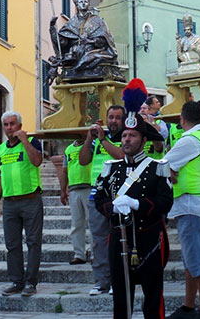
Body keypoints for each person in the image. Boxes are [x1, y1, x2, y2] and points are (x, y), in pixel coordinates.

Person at [94, 103, 173, 319]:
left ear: (144, 140)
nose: (127, 139)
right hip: (119, 238)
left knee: (153, 295)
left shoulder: (157, 167)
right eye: (125, 135)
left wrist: (139, 204)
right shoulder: (111, 168)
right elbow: (98, 197)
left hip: (149, 238)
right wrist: (111, 208)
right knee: (120, 297)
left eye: (133, 135)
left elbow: (166, 202)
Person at [164, 101, 200, 319]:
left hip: (192, 206)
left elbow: (162, 165)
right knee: (192, 258)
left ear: (182, 119)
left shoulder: (189, 140)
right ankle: (188, 307)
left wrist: (169, 171)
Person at [0, 111, 44, 297]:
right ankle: (16, 281)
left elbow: (37, 161)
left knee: (33, 242)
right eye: (6, 125)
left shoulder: (32, 142)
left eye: (12, 124)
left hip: (31, 200)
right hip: (10, 203)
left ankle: (31, 282)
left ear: (20, 126)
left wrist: (25, 141)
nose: (9, 128)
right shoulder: (1, 149)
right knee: (12, 245)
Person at [79, 105, 126, 295]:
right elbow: (83, 161)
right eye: (110, 117)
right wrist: (89, 139)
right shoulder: (97, 140)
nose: (113, 121)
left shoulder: (126, 137)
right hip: (97, 194)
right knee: (98, 240)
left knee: (119, 239)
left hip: (119, 194)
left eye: (117, 117)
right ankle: (101, 281)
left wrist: (103, 139)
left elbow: (121, 156)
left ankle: (118, 280)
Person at [60, 139, 92, 265]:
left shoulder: (91, 145)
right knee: (76, 224)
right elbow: (64, 171)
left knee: (93, 223)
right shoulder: (68, 149)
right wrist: (63, 190)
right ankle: (79, 254)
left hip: (89, 187)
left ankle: (95, 254)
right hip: (74, 189)